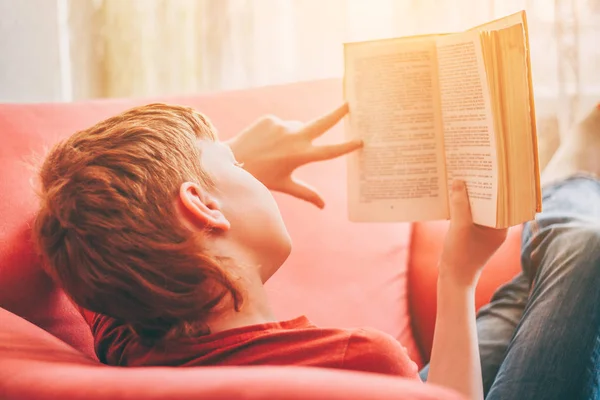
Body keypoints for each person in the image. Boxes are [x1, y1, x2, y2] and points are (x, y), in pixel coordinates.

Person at [31, 100, 600, 400]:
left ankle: (564, 188)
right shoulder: (361, 362)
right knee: (584, 249)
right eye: (235, 167)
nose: (248, 170)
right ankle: (567, 188)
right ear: (204, 207)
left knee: (533, 289)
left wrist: (208, 172)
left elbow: (65, 218)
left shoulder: (129, 337)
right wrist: (456, 275)